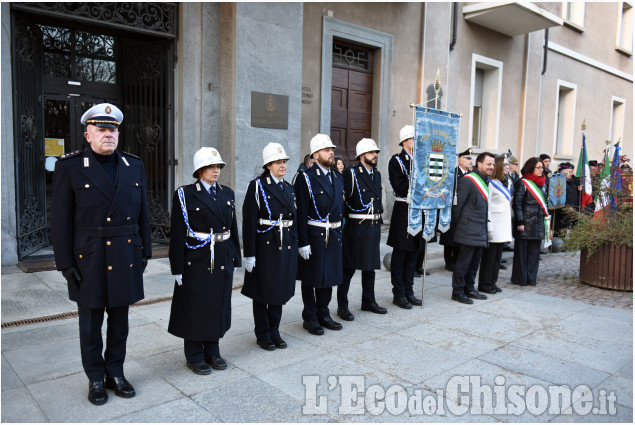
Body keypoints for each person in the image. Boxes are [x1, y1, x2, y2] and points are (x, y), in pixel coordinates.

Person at [51, 103, 152, 405]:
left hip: (125, 254)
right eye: (102, 129)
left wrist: (145, 250)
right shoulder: (69, 167)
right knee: (90, 325)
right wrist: (64, 263)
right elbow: (60, 220)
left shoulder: (134, 165)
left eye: (113, 129)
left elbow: (143, 214)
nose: (109, 134)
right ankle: (95, 377)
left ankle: (115, 373)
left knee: (120, 322)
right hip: (89, 257)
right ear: (88, 135)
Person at [168, 147, 241, 375]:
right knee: (195, 306)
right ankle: (194, 355)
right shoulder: (185, 194)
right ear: (200, 170)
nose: (216, 170)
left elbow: (232, 228)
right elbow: (178, 231)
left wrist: (235, 257)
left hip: (220, 257)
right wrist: (176, 266)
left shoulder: (227, 193)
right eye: (211, 166)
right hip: (196, 258)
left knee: (217, 305)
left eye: (218, 166)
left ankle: (213, 350)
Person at [241, 143, 297, 351]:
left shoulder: (288, 188)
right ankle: (262, 333)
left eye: (283, 162)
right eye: (277, 162)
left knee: (280, 289)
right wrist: (250, 254)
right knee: (262, 290)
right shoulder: (257, 186)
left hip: (285, 244)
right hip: (265, 246)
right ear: (268, 165)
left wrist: (298, 244)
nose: (282, 165)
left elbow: (295, 219)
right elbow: (249, 222)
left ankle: (275, 329)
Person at [295, 134, 345, 335]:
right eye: (326, 150)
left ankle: (324, 312)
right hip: (314, 234)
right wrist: (303, 242)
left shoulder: (337, 177)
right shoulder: (305, 178)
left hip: (333, 233)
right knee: (312, 277)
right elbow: (301, 213)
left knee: (330, 276)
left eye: (331, 149)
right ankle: (310, 316)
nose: (331, 152)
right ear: (316, 155)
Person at [337, 138, 386, 321]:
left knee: (370, 267)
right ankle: (342, 306)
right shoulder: (351, 173)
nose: (375, 155)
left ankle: (368, 301)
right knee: (348, 268)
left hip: (372, 225)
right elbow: (343, 201)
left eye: (376, 153)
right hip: (355, 226)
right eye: (372, 152)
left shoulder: (377, 174)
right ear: (362, 155)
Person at [450, 152, 495, 304]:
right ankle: (457, 291)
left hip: (479, 229)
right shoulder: (468, 181)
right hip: (467, 228)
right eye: (489, 164)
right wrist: (459, 227)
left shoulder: (485, 181)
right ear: (479, 164)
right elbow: (457, 207)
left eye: (493, 164)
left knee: (474, 262)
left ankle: (469, 288)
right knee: (463, 262)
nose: (491, 167)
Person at [387, 125, 423, 309]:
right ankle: (398, 292)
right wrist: (418, 179)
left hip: (418, 210)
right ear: (405, 141)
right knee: (401, 254)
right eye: (413, 139)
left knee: (414, 254)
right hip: (404, 210)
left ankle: (409, 290)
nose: (416, 142)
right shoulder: (396, 161)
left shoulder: (420, 160)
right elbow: (400, 187)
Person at [478, 155, 512, 294]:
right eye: (504, 165)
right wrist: (489, 226)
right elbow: (488, 206)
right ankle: (485, 284)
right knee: (489, 258)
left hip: (503, 226)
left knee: (497, 257)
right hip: (494, 226)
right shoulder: (491, 184)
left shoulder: (504, 182)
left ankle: (492, 281)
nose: (507, 167)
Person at [511, 157, 548, 286]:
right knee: (522, 254)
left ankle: (531, 278)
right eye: (538, 167)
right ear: (531, 168)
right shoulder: (523, 183)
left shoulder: (543, 183)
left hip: (538, 223)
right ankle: (520, 278)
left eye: (542, 168)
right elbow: (517, 204)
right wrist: (520, 222)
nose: (541, 170)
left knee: (534, 253)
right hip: (526, 223)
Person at [439, 148, 472, 271]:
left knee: (460, 237)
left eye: (471, 159)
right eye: (467, 158)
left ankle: (458, 259)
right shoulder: (452, 174)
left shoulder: (470, 175)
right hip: (452, 210)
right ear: (460, 160)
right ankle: (449, 262)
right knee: (450, 237)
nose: (470, 161)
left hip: (465, 211)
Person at [552, 162, 579, 237]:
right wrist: (567, 206)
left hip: (570, 211)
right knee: (560, 231)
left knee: (565, 231)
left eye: (571, 172)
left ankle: (561, 246)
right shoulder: (558, 182)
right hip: (561, 212)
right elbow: (558, 197)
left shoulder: (571, 182)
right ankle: (556, 247)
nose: (571, 174)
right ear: (563, 172)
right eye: (569, 172)